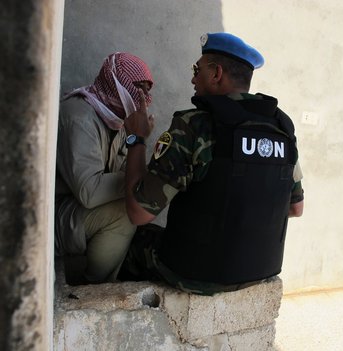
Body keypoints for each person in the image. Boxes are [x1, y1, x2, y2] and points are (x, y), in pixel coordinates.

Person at [121, 33, 304, 295]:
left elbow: (138, 212)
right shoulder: (282, 128)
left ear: (216, 73)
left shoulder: (194, 125)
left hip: (196, 274)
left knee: (131, 237)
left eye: (197, 70)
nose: (193, 78)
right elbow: (296, 208)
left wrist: (136, 139)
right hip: (258, 272)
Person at [55, 52, 154, 283]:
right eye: (139, 88)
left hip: (74, 210)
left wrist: (137, 140)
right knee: (126, 213)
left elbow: (121, 168)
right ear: (116, 83)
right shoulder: (80, 116)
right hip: (54, 214)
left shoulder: (116, 118)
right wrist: (140, 178)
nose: (145, 98)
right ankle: (93, 287)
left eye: (148, 90)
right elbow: (89, 192)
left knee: (136, 204)